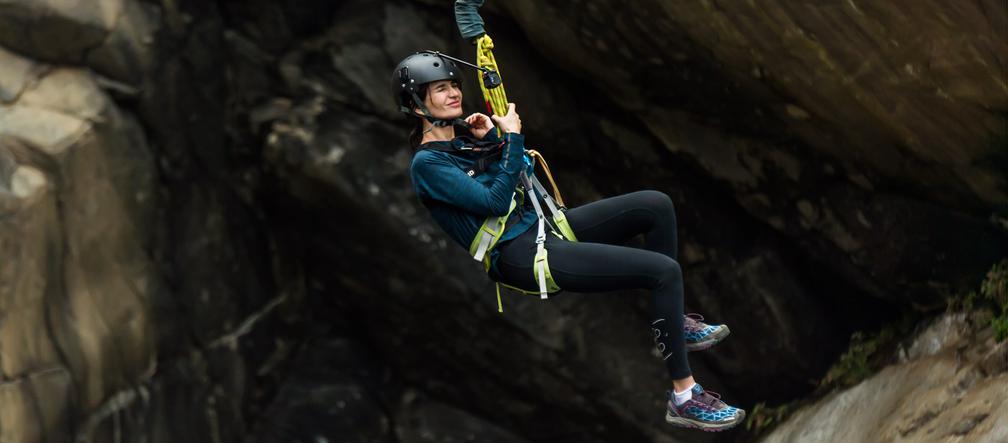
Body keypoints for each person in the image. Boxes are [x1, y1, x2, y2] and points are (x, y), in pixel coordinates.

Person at [393, 51, 745, 431]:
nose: (454, 94)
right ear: (416, 106)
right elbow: (493, 201)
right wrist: (509, 139)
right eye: (440, 89)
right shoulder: (427, 165)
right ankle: (684, 397)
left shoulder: (464, 141)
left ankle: (674, 321)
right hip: (521, 255)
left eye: (454, 85)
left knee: (655, 205)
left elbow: (519, 173)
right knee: (663, 271)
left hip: (546, 227)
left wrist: (494, 139)